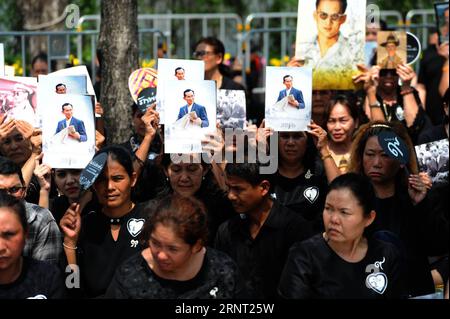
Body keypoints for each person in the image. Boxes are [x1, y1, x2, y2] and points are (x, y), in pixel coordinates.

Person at [348, 121, 443, 297]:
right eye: (370, 154)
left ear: (400, 160)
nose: (376, 162)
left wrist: (421, 205)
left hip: (415, 291)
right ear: (361, 158)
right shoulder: (351, 200)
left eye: (385, 155)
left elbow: (437, 245)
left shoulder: (418, 198)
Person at [278, 173, 405, 299]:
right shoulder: (304, 256)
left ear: (369, 218)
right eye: (328, 208)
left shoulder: (386, 254)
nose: (333, 219)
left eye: (344, 212)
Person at [105, 194, 245, 299]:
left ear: (196, 245)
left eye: (173, 249)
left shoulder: (223, 272)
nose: (161, 255)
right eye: (155, 243)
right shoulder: (129, 275)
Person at [59, 145, 149, 298]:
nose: (109, 187)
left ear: (132, 179)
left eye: (117, 178)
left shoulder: (151, 219)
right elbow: (71, 286)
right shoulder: (83, 226)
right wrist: (70, 244)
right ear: (93, 184)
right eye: (101, 180)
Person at [215, 161, 314, 298]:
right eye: (229, 188)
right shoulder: (227, 230)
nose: (230, 195)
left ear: (264, 188)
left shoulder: (295, 229)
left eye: (238, 189)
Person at [0, 192, 66, 299]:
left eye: (9, 234)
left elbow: (75, 285)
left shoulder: (47, 276)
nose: (1, 247)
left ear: (26, 233)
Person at [0, 156, 62, 264]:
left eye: (14, 189)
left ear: (24, 189)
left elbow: (45, 276)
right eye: (1, 191)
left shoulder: (42, 221)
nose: (8, 197)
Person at [301, 0, 361, 89]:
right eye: (323, 15)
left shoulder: (355, 52)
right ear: (315, 16)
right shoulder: (302, 49)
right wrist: (292, 71)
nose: (328, 22)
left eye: (335, 16)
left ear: (343, 19)